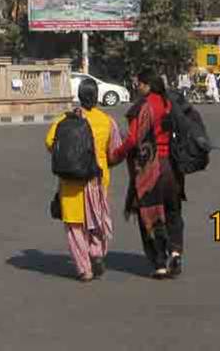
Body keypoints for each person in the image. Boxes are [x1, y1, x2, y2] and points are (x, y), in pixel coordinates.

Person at [45, 78, 122, 282]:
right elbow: (114, 151)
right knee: (96, 220)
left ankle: (84, 268)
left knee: (75, 226)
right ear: (97, 97)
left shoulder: (64, 119)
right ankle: (96, 253)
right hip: (97, 180)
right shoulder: (106, 121)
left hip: (70, 181)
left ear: (79, 96)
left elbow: (49, 142)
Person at [111, 68, 184, 279]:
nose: (137, 87)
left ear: (147, 85)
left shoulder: (143, 107)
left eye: (139, 84)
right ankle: (176, 251)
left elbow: (133, 139)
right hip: (172, 165)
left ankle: (160, 263)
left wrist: (116, 154)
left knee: (151, 216)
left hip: (150, 169)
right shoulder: (168, 103)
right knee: (173, 211)